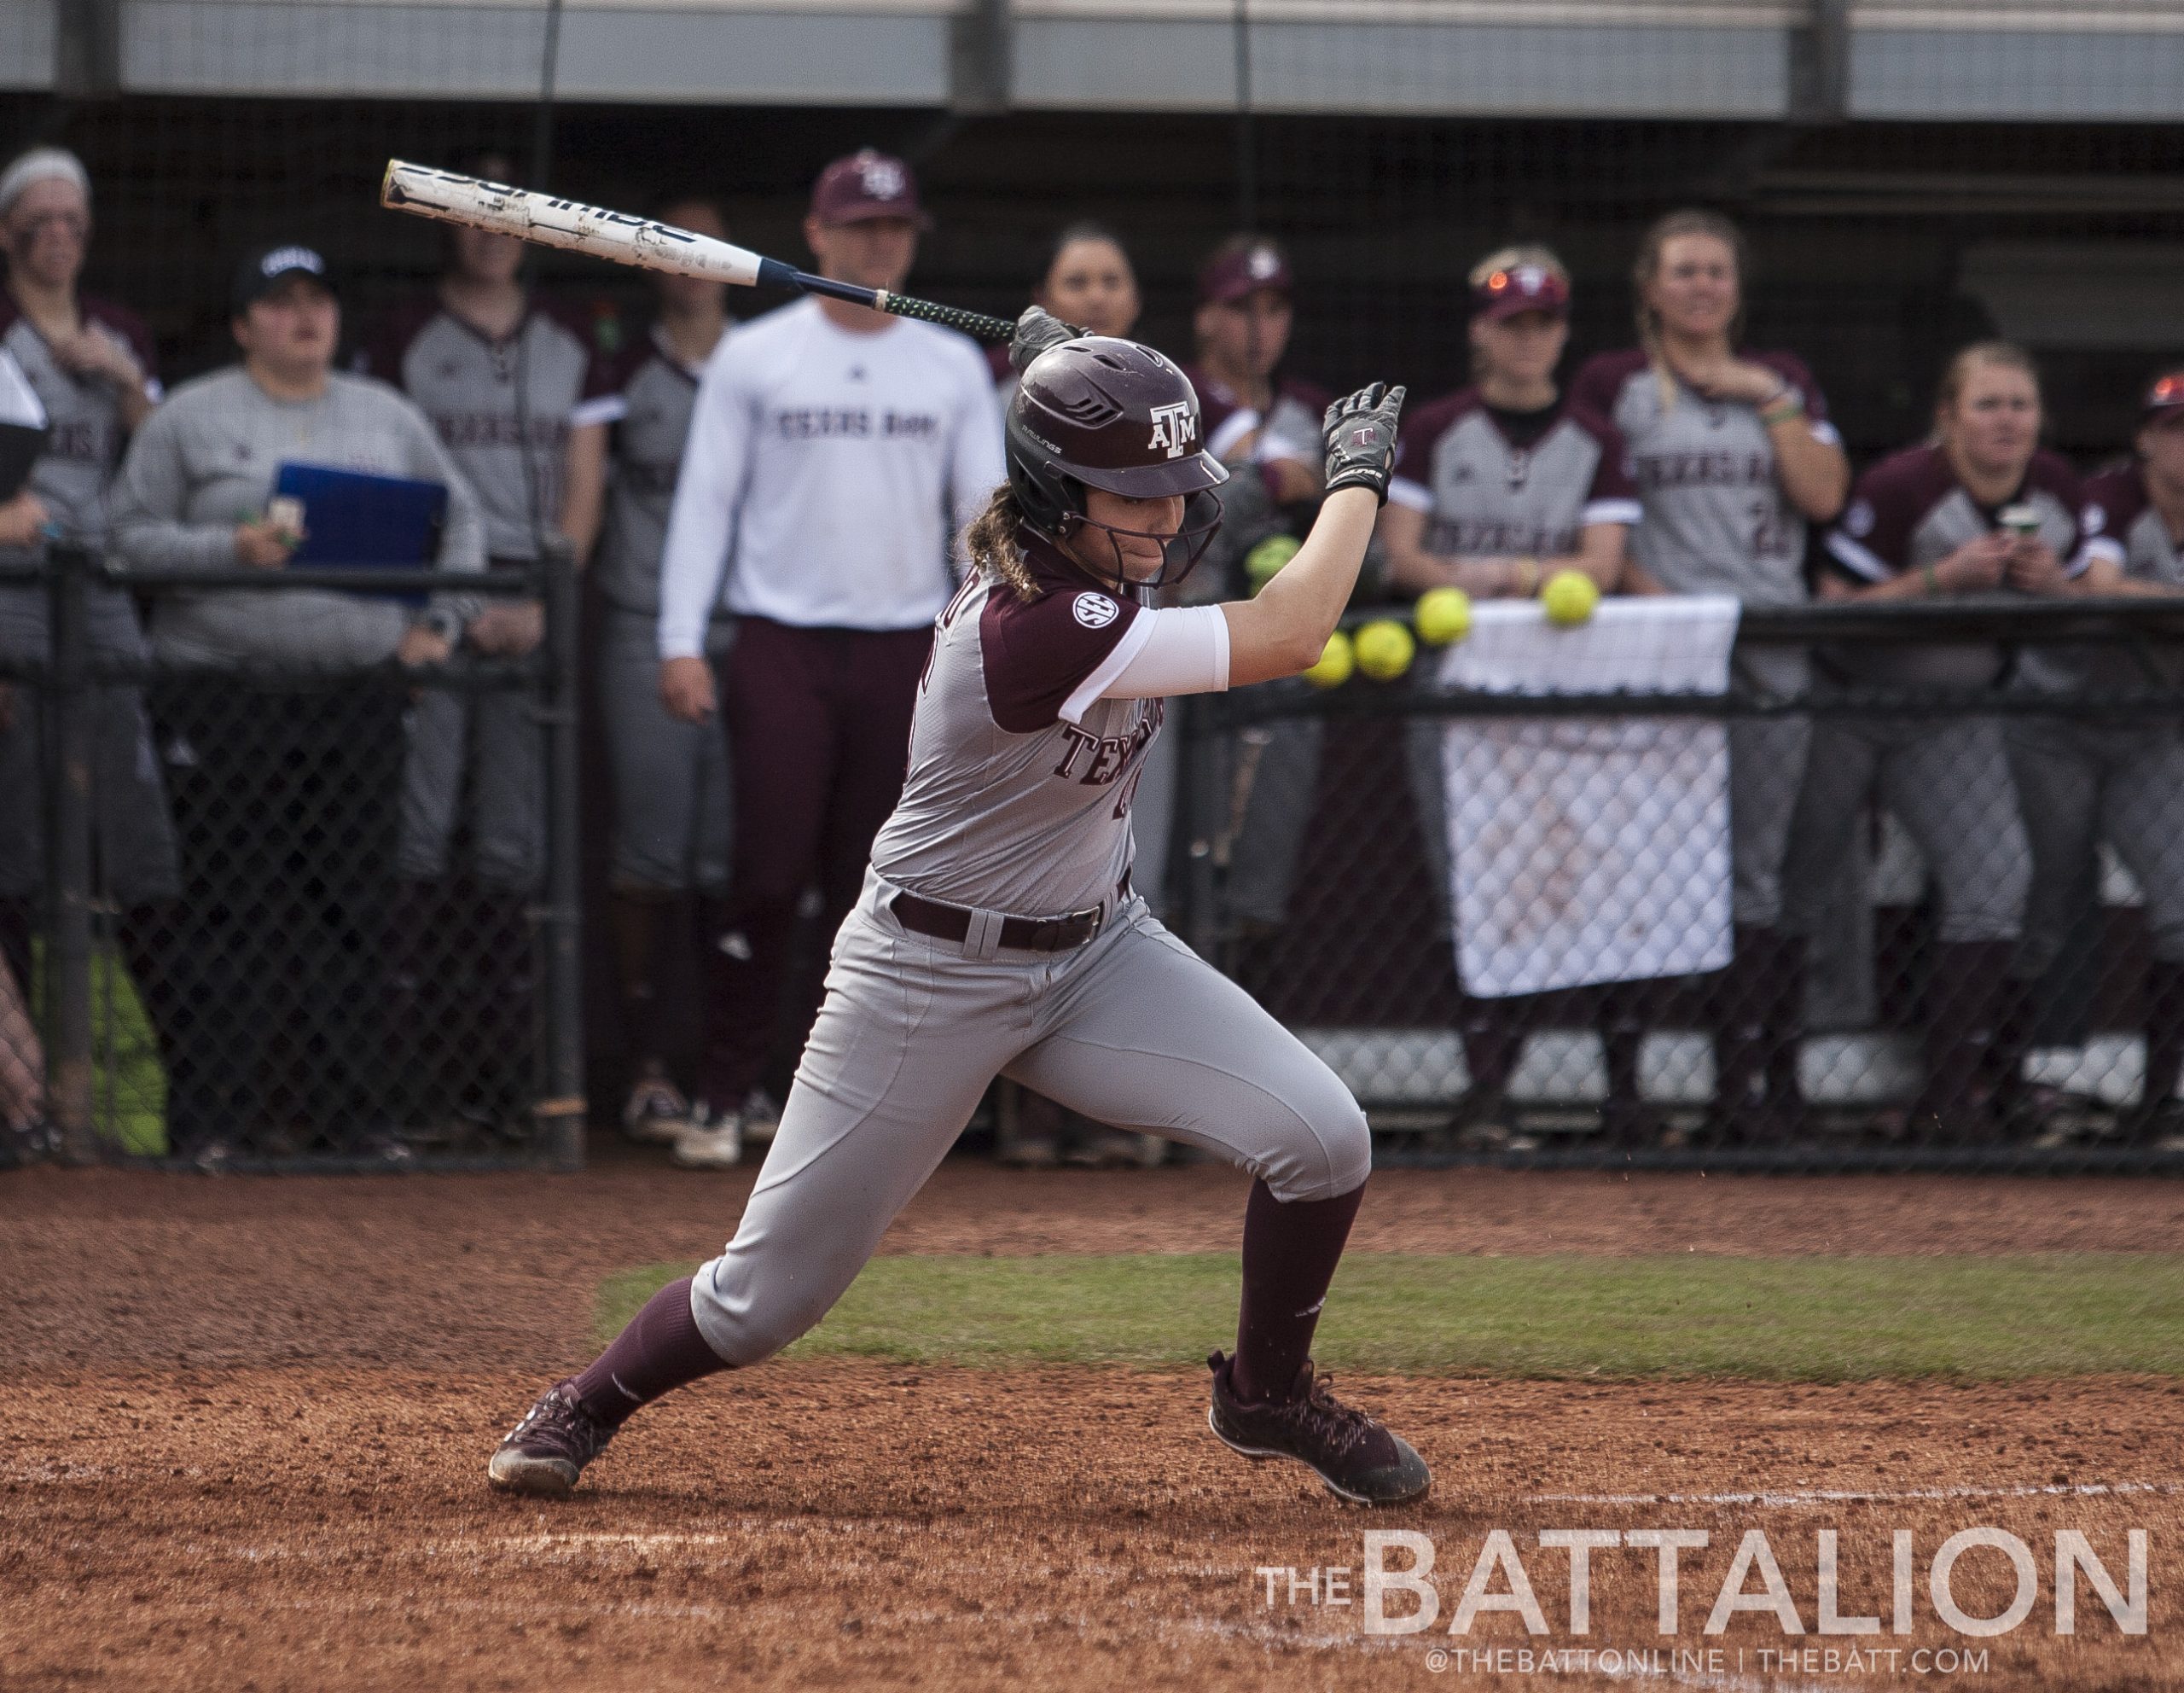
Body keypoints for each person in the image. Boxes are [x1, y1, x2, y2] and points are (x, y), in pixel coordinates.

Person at [485, 314, 1431, 1509]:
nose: (1162, 519)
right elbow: (1292, 629)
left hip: (1097, 954)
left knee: (1325, 1137)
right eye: (1128, 495)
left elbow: (1168, 516)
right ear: (1046, 490)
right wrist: (1356, 477)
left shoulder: (1100, 559)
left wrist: (1078, 382)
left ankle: (1267, 1394)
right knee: (768, 1297)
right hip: (928, 971)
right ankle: (588, 1399)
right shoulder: (1034, 623)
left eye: (1167, 492)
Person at [656, 148, 1003, 1169]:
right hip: (780, 639)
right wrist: (680, 639)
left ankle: (846, 1108)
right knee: (764, 874)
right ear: (816, 236)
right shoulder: (757, 355)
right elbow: (704, 504)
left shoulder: (947, 360)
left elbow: (981, 518)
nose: (878, 243)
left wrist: (983, 649)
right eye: (858, 226)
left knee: (879, 884)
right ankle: (726, 1091)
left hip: (908, 646)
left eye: (894, 228)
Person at [108, 241, 484, 1154]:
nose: (303, 316)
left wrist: (442, 621)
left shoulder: (388, 416)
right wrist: (223, 552)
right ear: (242, 326)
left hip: (356, 696)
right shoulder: (188, 418)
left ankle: (353, 1122)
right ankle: (214, 1124)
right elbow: (123, 539)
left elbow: (462, 522)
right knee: (225, 911)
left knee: (351, 909)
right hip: (220, 695)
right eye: (278, 302)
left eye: (317, 298)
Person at [1571, 208, 1850, 1143]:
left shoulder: (1786, 378)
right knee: (1642, 861)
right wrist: (1668, 609)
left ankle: (1744, 1091)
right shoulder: (1612, 383)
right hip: (1662, 641)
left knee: (1756, 873)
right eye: (1682, 270)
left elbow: (1824, 496)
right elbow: (1594, 511)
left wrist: (1765, 396)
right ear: (1649, 285)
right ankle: (1625, 1090)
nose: (1700, 286)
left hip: (1770, 640)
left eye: (1716, 272)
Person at [362, 150, 617, 1139]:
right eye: (473, 214)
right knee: (418, 832)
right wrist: (448, 604)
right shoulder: (403, 337)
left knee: (516, 843)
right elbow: (390, 475)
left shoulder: (568, 346)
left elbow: (583, 489)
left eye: (508, 217)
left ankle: (510, 1088)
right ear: (446, 226)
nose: (488, 232)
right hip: (433, 594)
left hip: (532, 593)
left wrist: (551, 600)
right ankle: (409, 1090)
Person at [1380, 246, 1645, 1143]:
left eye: (1541, 323)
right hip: (1458, 687)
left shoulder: (1595, 439)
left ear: (1563, 333)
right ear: (1480, 332)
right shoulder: (1436, 428)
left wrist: (1498, 571)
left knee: (1589, 872)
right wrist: (1528, 572)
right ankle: (1487, 1090)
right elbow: (1401, 556)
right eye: (1509, 323)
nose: (1525, 339)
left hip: (1565, 691)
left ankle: (1622, 1093)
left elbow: (1602, 566)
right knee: (1473, 881)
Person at [1786, 342, 2056, 1141]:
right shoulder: (1903, 485)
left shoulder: (2058, 493)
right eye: (1987, 404)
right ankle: (1760, 1092)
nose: (2006, 421)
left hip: (1949, 715)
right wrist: (1941, 580)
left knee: (1998, 882)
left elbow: (2090, 599)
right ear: (1947, 416)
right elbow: (1831, 606)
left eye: (2020, 405)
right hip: (1847, 700)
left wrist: (2057, 585)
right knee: (1792, 886)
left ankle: (1948, 1099)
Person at [0, 147, 180, 1096]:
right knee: (21, 823)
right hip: (16, 589)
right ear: (9, 235)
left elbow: (162, 461)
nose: (59, 235)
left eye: (74, 219)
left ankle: (158, 1075)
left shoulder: (119, 333)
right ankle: (29, 1083)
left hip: (102, 588)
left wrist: (121, 379)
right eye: (40, 220)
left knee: (130, 808)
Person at [2004, 368, 2184, 1142]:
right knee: (2044, 901)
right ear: (2145, 437)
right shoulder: (2112, 495)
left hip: (2146, 731)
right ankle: (2019, 1082)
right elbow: (2106, 583)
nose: (2183, 441)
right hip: (2057, 722)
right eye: (2172, 426)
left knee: (2181, 903)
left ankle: (2161, 1097)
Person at [591, 197, 736, 1146]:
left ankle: (730, 1073)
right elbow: (578, 510)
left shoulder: (769, 365)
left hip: (752, 631)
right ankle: (646, 1063)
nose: (688, 263)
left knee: (737, 860)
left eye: (705, 244)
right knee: (651, 854)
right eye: (669, 244)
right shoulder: (620, 369)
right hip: (645, 626)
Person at [986, 222, 1141, 412]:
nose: (1097, 298)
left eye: (1111, 282)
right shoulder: (996, 395)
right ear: (1041, 300)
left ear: (1136, 299)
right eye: (1076, 283)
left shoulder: (1168, 390)